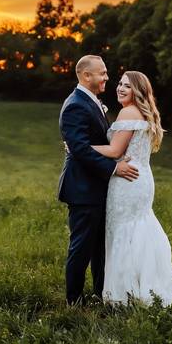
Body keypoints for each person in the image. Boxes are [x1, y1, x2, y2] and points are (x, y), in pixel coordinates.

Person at [91, 70, 172, 309]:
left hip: (127, 179)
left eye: (127, 86)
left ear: (138, 91)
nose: (120, 88)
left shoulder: (128, 112)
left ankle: (125, 295)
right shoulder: (144, 113)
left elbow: (114, 151)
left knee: (124, 233)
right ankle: (145, 287)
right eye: (120, 84)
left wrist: (80, 146)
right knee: (138, 230)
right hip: (141, 177)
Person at [58, 55, 138, 305]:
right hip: (83, 188)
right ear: (86, 76)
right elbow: (79, 149)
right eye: (102, 73)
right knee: (81, 247)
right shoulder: (75, 105)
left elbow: (97, 143)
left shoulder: (91, 102)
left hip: (97, 188)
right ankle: (74, 300)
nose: (106, 77)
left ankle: (102, 293)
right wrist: (115, 168)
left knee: (99, 248)